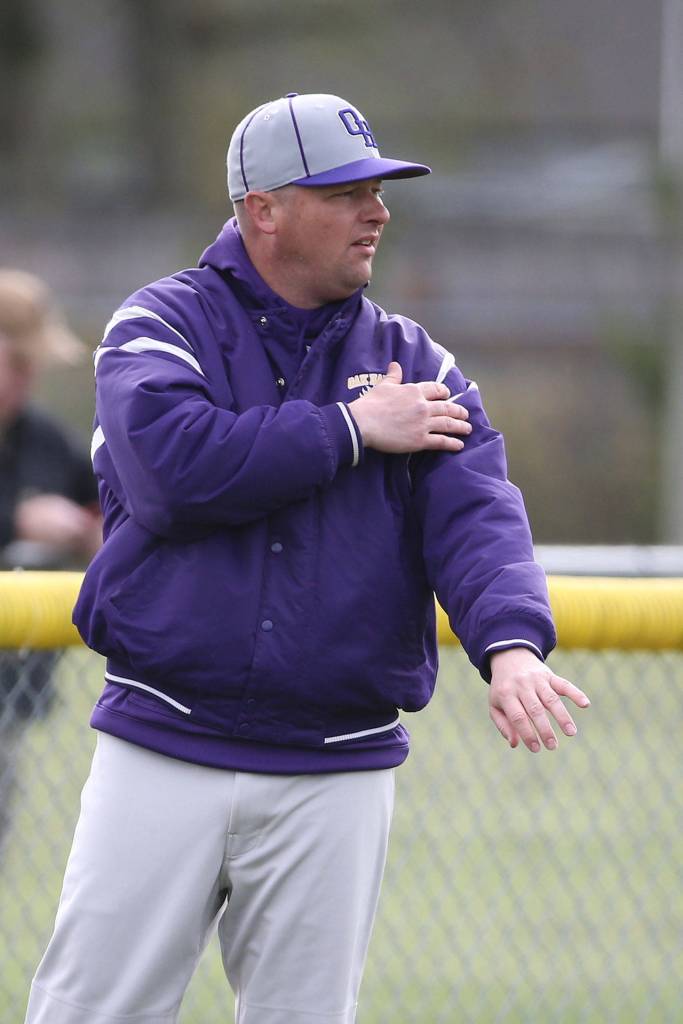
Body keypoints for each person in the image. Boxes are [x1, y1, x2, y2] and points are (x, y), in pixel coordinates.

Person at [26, 93, 590, 1024]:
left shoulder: (417, 362)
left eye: (378, 188)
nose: (378, 210)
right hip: (167, 738)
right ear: (262, 210)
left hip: (337, 761)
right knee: (95, 1012)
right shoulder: (159, 324)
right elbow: (173, 474)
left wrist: (512, 644)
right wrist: (350, 430)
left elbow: (477, 517)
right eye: (347, 190)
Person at [0, 269, 101, 847]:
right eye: (16, 362)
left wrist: (94, 532)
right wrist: (17, 519)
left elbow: (106, 501)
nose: (27, 378)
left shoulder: (38, 435)